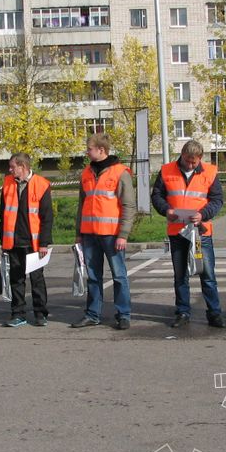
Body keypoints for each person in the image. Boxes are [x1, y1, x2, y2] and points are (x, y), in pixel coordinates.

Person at [151, 140, 226, 329]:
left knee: (207, 273)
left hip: (201, 232)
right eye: (187, 161)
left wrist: (203, 214)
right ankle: (182, 312)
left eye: (194, 162)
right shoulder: (167, 170)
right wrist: (166, 210)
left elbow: (217, 200)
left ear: (200, 158)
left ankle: (214, 313)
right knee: (180, 275)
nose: (190, 165)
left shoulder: (210, 171)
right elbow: (157, 195)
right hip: (177, 232)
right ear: (182, 155)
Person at [71, 133, 135, 330]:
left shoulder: (119, 173)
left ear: (101, 150)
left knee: (119, 276)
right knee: (93, 277)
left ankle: (123, 314)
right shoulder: (86, 173)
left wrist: (123, 234)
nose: (86, 151)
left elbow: (128, 206)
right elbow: (82, 205)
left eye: (89, 148)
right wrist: (79, 233)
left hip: (112, 235)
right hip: (90, 234)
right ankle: (92, 314)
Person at [0, 152, 54, 328]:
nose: (9, 170)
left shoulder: (41, 184)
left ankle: (40, 314)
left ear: (22, 167)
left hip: (34, 243)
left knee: (37, 279)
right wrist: (3, 241)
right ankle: (18, 314)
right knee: (16, 279)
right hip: (14, 241)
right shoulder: (8, 183)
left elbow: (47, 217)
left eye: (12, 167)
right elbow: (3, 214)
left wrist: (44, 243)